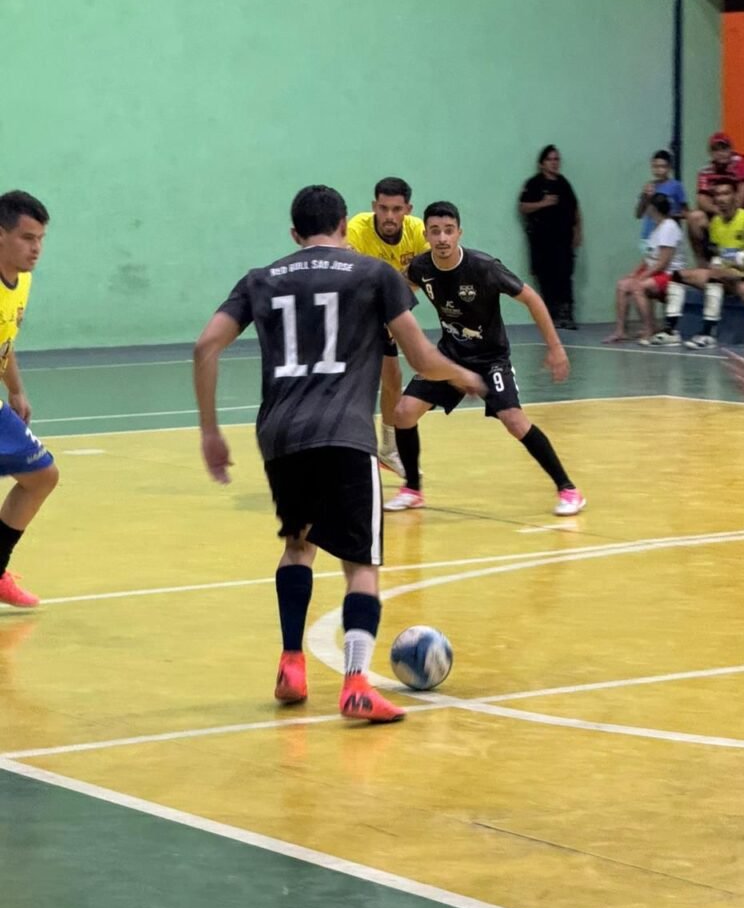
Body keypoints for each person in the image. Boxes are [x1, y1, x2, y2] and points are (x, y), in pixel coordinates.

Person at [193, 186, 484, 724]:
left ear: (294, 233)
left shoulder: (260, 278)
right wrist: (463, 375)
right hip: (345, 432)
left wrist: (210, 431)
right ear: (345, 226)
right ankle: (355, 684)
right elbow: (421, 356)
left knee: (298, 546)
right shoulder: (373, 274)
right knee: (361, 565)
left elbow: (205, 346)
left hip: (281, 435)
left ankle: (291, 663)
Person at [385, 200, 586, 516]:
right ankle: (412, 488)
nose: (442, 238)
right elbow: (399, 288)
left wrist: (555, 347)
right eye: (435, 231)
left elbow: (532, 299)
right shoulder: (422, 267)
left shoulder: (484, 267)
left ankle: (568, 489)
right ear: (426, 235)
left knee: (514, 421)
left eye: (448, 230)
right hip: (450, 357)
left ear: (459, 233)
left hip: (491, 359)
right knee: (404, 412)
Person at [346, 178, 430, 477]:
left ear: (408, 209)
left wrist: (392, 307)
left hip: (387, 314)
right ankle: (350, 451)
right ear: (374, 207)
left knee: (393, 379)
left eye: (397, 209)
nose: (390, 216)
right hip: (354, 312)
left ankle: (389, 449)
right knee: (354, 383)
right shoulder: (358, 229)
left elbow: (426, 274)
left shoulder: (418, 232)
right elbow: (351, 279)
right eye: (383, 208)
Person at [0, 191, 59, 608]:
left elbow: (5, 340)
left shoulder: (22, 281)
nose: (36, 248)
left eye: (40, 239)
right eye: (26, 238)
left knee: (42, 475)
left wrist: (16, 388)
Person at [649, 178, 744, 349]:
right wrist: (716, 261)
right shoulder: (716, 222)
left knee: (715, 275)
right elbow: (718, 251)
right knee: (678, 276)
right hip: (722, 272)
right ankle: (671, 331)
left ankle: (707, 334)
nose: (721, 198)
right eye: (717, 194)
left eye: (726, 193)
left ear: (735, 196)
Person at [604, 194, 686, 344]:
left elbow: (662, 263)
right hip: (657, 272)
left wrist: (640, 278)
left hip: (671, 275)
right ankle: (620, 331)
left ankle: (649, 329)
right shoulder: (656, 228)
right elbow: (648, 258)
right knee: (623, 284)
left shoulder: (669, 227)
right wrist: (634, 273)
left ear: (653, 209)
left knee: (638, 286)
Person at [519, 145, 582, 329]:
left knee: (564, 276)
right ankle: (550, 316)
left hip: (563, 240)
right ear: (542, 163)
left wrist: (578, 231)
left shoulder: (564, 183)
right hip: (541, 241)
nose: (554, 163)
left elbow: (575, 209)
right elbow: (523, 207)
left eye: (556, 159)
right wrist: (543, 203)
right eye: (550, 159)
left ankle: (566, 315)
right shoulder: (534, 184)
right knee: (545, 277)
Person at [688, 132, 744, 264]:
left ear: (731, 150)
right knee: (694, 217)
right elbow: (701, 199)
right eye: (716, 150)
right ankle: (702, 264)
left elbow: (742, 193)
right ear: (711, 153)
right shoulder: (705, 171)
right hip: (722, 213)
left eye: (724, 148)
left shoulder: (739, 162)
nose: (721, 153)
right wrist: (718, 211)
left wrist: (731, 212)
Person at [635, 150, 688, 244]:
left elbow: (686, 212)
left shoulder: (676, 186)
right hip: (648, 235)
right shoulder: (649, 186)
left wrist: (666, 215)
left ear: (669, 167)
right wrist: (644, 197)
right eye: (655, 166)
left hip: (668, 235)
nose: (659, 170)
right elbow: (638, 214)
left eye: (662, 166)